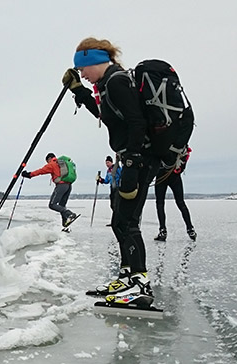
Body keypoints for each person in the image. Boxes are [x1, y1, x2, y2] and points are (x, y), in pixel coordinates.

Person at [63, 37, 192, 301]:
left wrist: (132, 167)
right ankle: (127, 276)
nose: (82, 74)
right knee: (120, 219)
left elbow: (136, 123)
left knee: (128, 221)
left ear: (95, 61)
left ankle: (139, 283)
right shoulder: (108, 84)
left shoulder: (117, 81)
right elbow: (105, 115)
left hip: (141, 159)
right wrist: (77, 90)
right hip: (135, 158)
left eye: (82, 69)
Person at [21, 153, 79, 227]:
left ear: (49, 158)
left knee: (52, 205)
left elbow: (41, 171)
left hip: (61, 186)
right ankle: (65, 222)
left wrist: (29, 175)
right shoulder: (62, 163)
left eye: (47, 161)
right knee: (62, 206)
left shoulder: (52, 164)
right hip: (68, 186)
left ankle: (69, 214)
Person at [154, 147, 196, 241]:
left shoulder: (162, 141)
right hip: (174, 175)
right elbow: (185, 154)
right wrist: (180, 169)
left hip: (161, 175)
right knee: (180, 203)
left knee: (160, 204)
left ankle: (163, 231)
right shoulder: (179, 142)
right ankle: (190, 229)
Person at [97, 155, 121, 220]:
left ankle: (117, 220)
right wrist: (100, 180)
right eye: (106, 163)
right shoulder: (108, 171)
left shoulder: (117, 168)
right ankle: (115, 219)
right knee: (112, 205)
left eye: (108, 162)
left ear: (111, 162)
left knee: (116, 205)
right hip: (112, 188)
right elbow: (106, 180)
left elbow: (122, 175)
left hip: (117, 187)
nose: (107, 164)